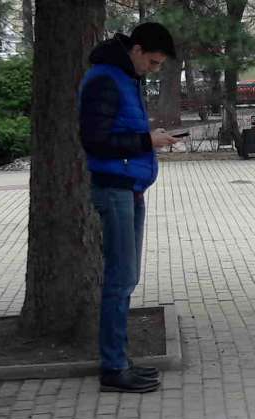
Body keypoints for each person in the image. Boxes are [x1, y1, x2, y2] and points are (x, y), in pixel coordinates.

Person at [79, 22, 178, 393]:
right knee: (120, 279)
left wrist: (148, 141)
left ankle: (119, 360)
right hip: (114, 187)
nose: (152, 70)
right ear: (136, 49)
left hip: (129, 187)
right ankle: (113, 367)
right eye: (152, 62)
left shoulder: (125, 78)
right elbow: (95, 140)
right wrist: (146, 141)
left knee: (126, 278)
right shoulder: (105, 79)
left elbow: (118, 133)